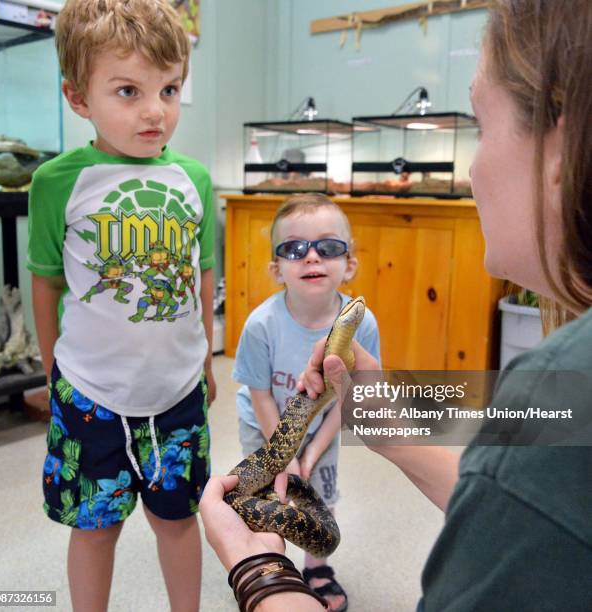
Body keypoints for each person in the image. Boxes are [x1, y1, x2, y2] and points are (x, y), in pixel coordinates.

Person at [199, 0, 592, 610]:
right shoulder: (562, 403)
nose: (470, 171)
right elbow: (535, 507)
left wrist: (261, 576)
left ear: (561, 153)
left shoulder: (555, 390)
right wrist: (389, 429)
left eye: (482, 129)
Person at [27, 1, 216, 610]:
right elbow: (47, 280)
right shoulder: (57, 181)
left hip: (178, 389)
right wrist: (50, 364)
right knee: (95, 527)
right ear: (78, 97)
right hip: (90, 390)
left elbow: (201, 272)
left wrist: (207, 356)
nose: (155, 110)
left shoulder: (195, 178)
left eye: (169, 89)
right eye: (128, 90)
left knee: (178, 520)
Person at [231, 193, 381, 612]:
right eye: (294, 248)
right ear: (276, 268)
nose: (312, 257)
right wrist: (285, 457)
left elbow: (348, 399)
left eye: (328, 247)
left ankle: (317, 567)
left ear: (348, 263)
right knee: (271, 497)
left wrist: (311, 452)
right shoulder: (261, 324)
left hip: (325, 428)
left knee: (320, 499)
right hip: (263, 424)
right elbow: (259, 393)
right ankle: (269, 567)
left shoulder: (361, 323)